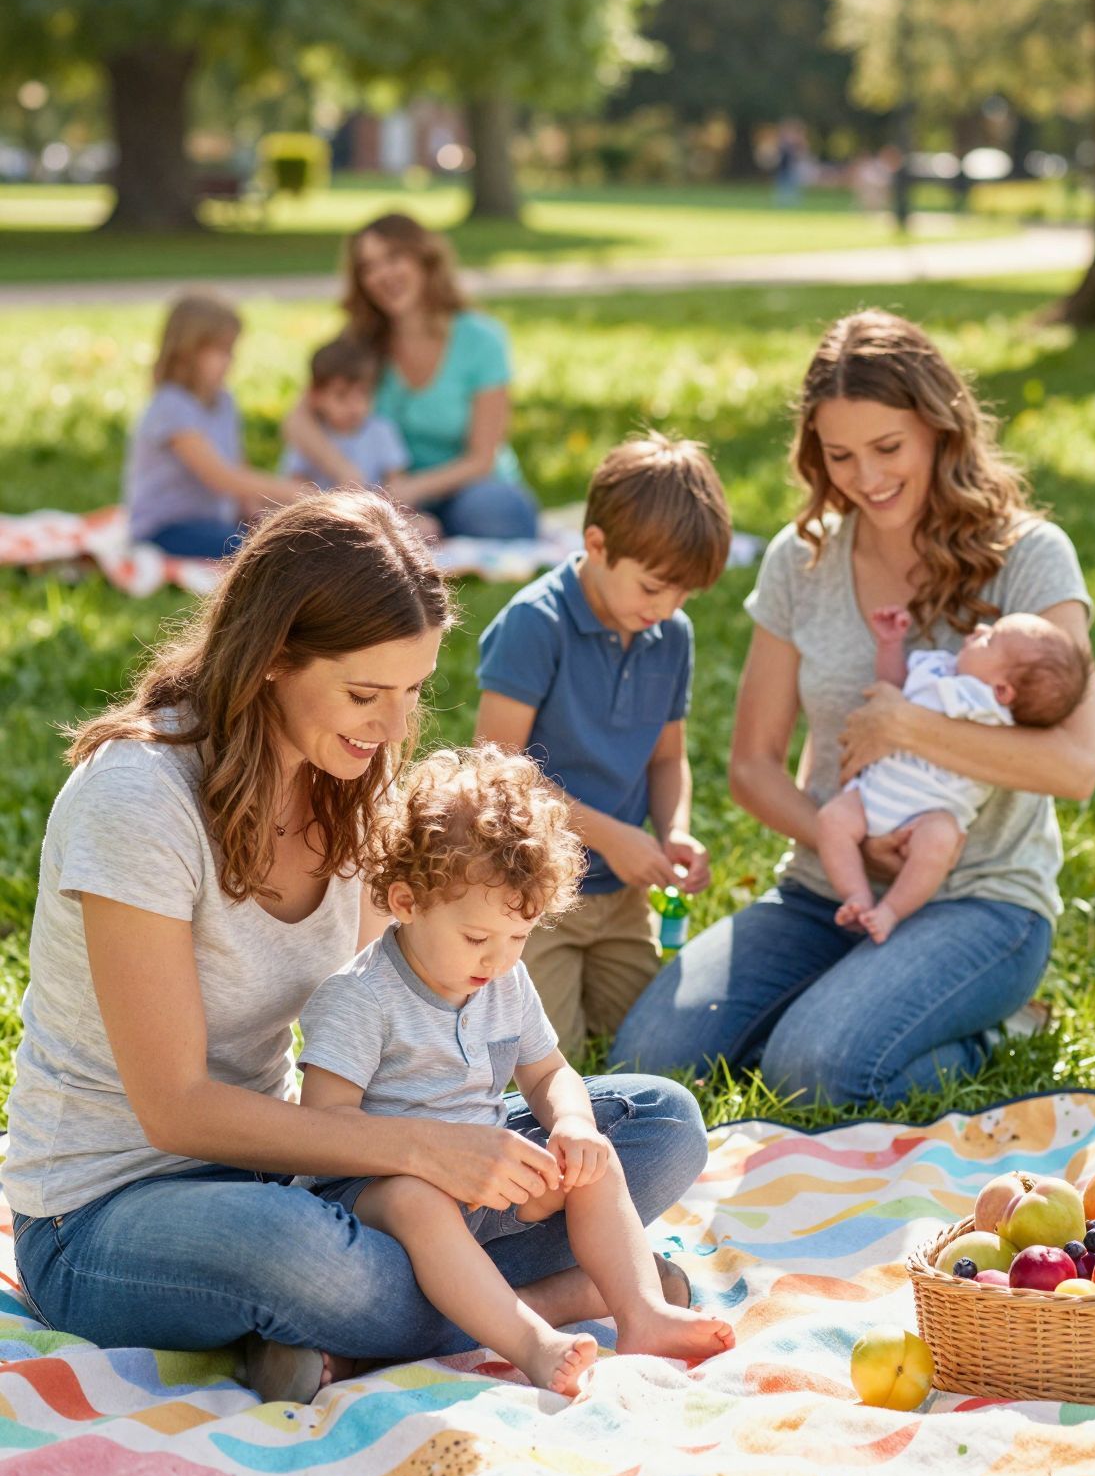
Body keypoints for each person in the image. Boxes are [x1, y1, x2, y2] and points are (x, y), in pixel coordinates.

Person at [5, 491, 707, 1406]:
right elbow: (174, 1111)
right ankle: (560, 1296)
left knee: (654, 1126)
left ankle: (378, 1325)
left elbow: (408, 996)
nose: (390, 726)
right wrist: (423, 1152)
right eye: (365, 693)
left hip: (291, 1167)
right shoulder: (139, 800)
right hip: (105, 1215)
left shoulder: (353, 787)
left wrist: (521, 1140)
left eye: (412, 690)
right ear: (270, 660)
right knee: (304, 1258)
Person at [611, 310, 1095, 1108]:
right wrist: (847, 843)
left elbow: (1076, 766)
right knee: (652, 1060)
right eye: (839, 456)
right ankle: (855, 995)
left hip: (981, 899)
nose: (865, 477)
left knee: (816, 1073)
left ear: (941, 432)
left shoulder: (1029, 558)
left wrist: (904, 725)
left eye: (888, 449)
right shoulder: (801, 560)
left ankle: (983, 1030)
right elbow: (752, 766)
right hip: (826, 885)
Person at [298, 746, 734, 1397]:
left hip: (487, 1186)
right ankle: (534, 1335)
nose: (498, 959)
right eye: (478, 939)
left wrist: (575, 1126)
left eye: (520, 936)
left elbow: (549, 1073)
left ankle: (640, 1313)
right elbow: (322, 1130)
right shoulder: (360, 996)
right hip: (374, 1201)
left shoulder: (503, 979)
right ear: (406, 901)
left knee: (593, 1158)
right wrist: (428, 1161)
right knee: (417, 1201)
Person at [474, 433, 732, 1062]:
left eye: (683, 595)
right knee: (542, 1059)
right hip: (532, 893)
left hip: (621, 898)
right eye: (652, 587)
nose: (666, 606)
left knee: (654, 1054)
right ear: (596, 545)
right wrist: (611, 834)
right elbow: (496, 769)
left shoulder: (671, 635)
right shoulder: (536, 624)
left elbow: (667, 757)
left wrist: (673, 831)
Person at [817, 607, 1091, 944]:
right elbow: (891, 689)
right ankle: (856, 895)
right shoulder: (937, 669)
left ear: (1002, 691)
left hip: (928, 816)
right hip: (874, 791)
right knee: (832, 820)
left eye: (989, 639)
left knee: (939, 842)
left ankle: (890, 910)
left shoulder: (993, 714)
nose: (977, 629)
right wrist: (890, 646)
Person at [331, 211, 538, 539]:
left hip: (468, 488)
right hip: (387, 491)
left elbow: (482, 458)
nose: (382, 275)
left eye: (393, 258)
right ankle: (417, 534)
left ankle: (421, 535)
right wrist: (345, 471)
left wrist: (412, 490)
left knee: (500, 514)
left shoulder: (481, 339)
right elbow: (298, 420)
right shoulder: (359, 343)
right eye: (368, 267)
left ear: (424, 260)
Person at [125, 295, 308, 558]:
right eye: (221, 351)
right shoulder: (170, 406)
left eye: (231, 350)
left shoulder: (224, 401)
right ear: (188, 351)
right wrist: (292, 492)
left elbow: (238, 467)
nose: (230, 360)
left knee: (279, 537)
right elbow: (220, 477)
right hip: (165, 528)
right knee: (259, 552)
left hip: (213, 521)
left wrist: (256, 511)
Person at [280, 335, 408, 491]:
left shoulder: (381, 431)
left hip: (373, 510)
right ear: (316, 396)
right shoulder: (311, 436)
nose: (355, 406)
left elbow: (396, 483)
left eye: (364, 394)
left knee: (424, 517)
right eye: (342, 396)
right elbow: (297, 484)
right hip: (323, 510)